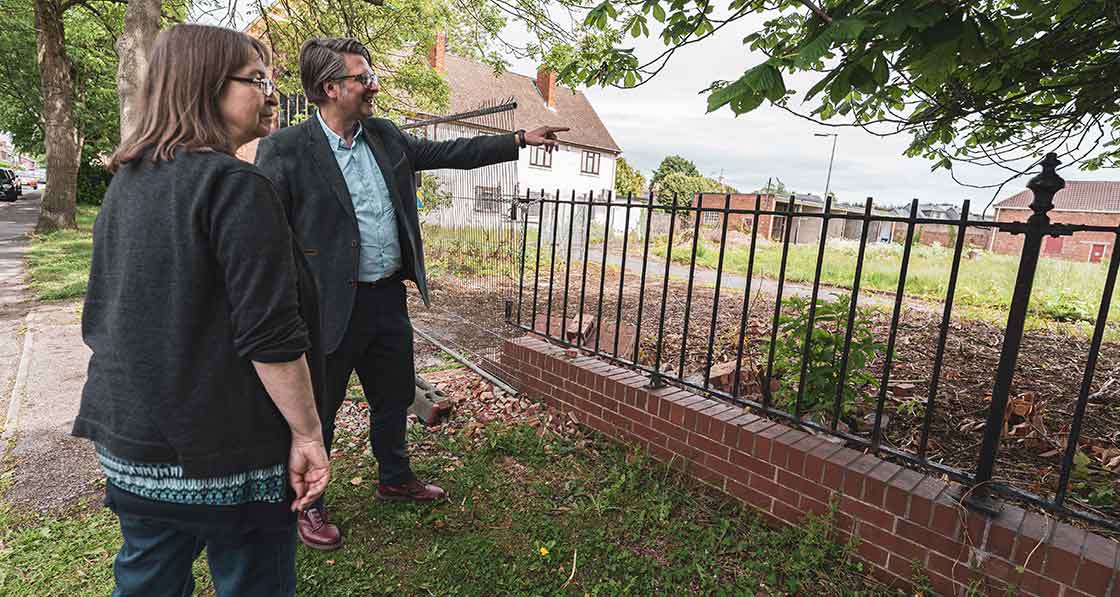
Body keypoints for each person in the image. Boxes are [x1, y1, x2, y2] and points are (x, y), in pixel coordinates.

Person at [255, 36, 565, 551]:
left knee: (393, 393)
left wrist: (518, 139)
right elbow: (268, 237)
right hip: (328, 306)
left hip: (385, 298)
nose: (373, 84)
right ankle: (309, 504)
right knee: (321, 409)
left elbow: (451, 152)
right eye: (363, 77)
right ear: (330, 88)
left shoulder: (383, 135)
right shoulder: (285, 150)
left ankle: (394, 477)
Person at [72, 24, 329, 596]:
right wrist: (309, 435)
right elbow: (270, 336)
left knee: (148, 582)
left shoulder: (127, 181)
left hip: (134, 446)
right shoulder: (236, 185)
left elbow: (111, 312)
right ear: (205, 86)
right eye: (256, 79)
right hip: (227, 454)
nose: (271, 93)